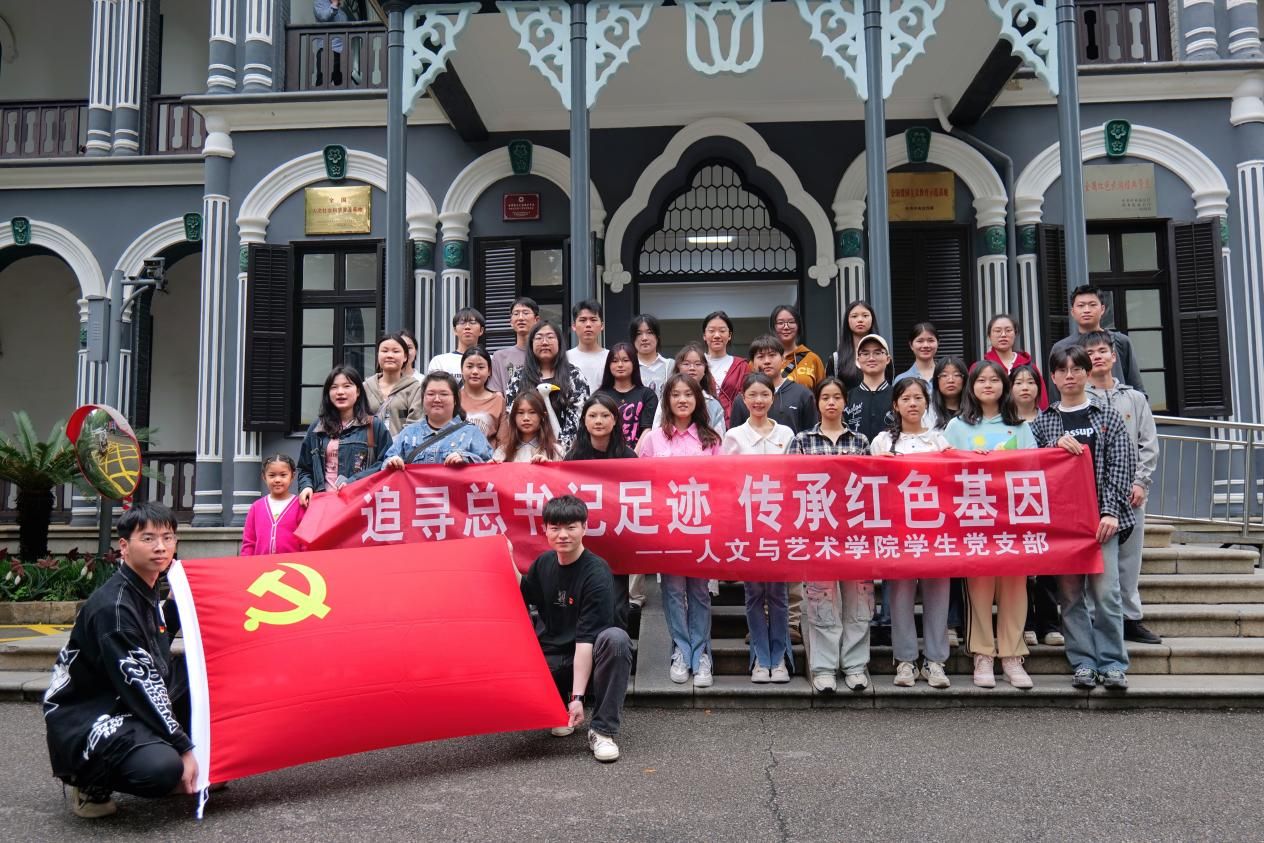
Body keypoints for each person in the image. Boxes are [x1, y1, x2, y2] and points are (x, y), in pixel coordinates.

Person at [44, 502, 196, 818]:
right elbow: (142, 684)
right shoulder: (114, 608)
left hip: (125, 695)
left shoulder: (145, 587)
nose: (160, 547)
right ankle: (89, 781)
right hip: (90, 714)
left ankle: (180, 763)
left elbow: (154, 647)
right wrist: (185, 749)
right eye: (148, 538)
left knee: (204, 679)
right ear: (124, 546)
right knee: (162, 769)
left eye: (167, 538)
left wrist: (174, 606)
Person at [1031, 345, 1137, 690]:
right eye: (1063, 370)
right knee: (1070, 596)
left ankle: (1112, 662)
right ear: (1053, 377)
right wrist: (1052, 448)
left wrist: (1110, 512)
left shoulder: (1107, 417)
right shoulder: (1044, 422)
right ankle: (1083, 662)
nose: (1070, 376)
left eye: (1077, 369)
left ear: (1087, 374)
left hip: (1102, 520)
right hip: (1063, 524)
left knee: (1107, 594)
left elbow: (1121, 466)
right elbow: (1033, 469)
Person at [944, 361, 1038, 690]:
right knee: (979, 589)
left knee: (1014, 588)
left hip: (1013, 520)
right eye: (981, 380)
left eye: (994, 380)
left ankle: (1012, 655)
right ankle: (983, 655)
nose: (988, 385)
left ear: (1004, 386)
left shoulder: (1020, 427)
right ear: (971, 387)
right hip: (975, 520)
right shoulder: (957, 426)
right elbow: (943, 468)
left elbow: (1035, 467)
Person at [519, 495, 633, 763]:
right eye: (555, 528)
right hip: (551, 658)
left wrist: (578, 696)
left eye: (571, 527)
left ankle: (602, 731)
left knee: (616, 640)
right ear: (545, 529)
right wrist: (505, 557)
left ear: (584, 528)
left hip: (588, 660)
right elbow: (523, 594)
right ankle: (558, 710)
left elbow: (586, 639)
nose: (563, 535)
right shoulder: (543, 563)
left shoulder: (596, 572)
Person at [787, 377, 873, 692]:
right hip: (817, 533)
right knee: (821, 601)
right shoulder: (802, 441)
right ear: (817, 402)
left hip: (854, 533)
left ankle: (855, 665)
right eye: (826, 397)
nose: (832, 403)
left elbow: (871, 486)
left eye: (837, 397)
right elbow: (790, 485)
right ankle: (823, 668)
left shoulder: (860, 441)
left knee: (858, 600)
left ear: (845, 402)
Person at [637, 373, 723, 688]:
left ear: (697, 399)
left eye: (688, 394)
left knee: (699, 592)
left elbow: (723, 484)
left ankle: (702, 655)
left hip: (701, 528)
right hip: (668, 528)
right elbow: (639, 480)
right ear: (667, 401)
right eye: (676, 394)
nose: (682, 399)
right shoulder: (653, 439)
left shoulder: (711, 439)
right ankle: (681, 652)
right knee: (673, 593)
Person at [869, 379, 952, 690]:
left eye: (918, 398)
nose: (913, 404)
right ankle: (905, 659)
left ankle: (935, 661)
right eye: (906, 398)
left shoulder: (940, 441)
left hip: (936, 531)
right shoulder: (881, 442)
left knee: (938, 595)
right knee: (900, 596)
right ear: (895, 405)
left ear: (927, 404)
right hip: (898, 531)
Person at [1082, 330, 1161, 646]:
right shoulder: (1079, 399)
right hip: (1091, 494)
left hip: (1131, 493)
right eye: (1091, 353)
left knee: (1130, 559)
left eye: (1102, 351)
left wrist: (1141, 482)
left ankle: (1131, 618)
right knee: (1096, 560)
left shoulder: (1134, 398)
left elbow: (1148, 444)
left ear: (1114, 357)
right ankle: (1095, 619)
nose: (1097, 357)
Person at [723, 373, 795, 683]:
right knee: (753, 594)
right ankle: (759, 660)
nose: (758, 400)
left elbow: (794, 478)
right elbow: (726, 482)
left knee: (778, 594)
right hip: (748, 525)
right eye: (752, 394)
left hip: (780, 525)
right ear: (743, 398)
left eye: (764, 394)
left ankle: (779, 659)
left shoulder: (787, 434)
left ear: (772, 397)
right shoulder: (734, 436)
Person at [564, 394, 638, 612]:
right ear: (584, 421)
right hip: (585, 539)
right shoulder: (573, 457)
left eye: (605, 416)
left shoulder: (628, 456)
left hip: (618, 538)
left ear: (615, 420)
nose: (598, 421)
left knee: (617, 604)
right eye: (593, 416)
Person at [1012, 364, 1064, 648]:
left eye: (1030, 382)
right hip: (1013, 501)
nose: (1024, 387)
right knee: (1019, 564)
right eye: (1018, 382)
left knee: (1046, 563)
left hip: (1046, 499)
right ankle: (1026, 624)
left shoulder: (1051, 419)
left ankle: (1050, 623)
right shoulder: (1004, 423)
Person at [297, 365, 392, 506]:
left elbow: (385, 463)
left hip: (359, 503)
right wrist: (306, 486)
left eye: (347, 386)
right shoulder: (317, 427)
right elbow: (305, 468)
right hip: (323, 503)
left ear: (358, 391)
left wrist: (353, 481)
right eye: (334, 387)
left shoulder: (374, 425)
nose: (340, 392)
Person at [504, 321, 590, 451]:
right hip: (526, 450)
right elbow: (512, 414)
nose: (544, 342)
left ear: (559, 343)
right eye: (539, 338)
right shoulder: (518, 377)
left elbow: (579, 417)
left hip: (567, 452)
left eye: (550, 337)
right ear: (531, 344)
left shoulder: (574, 376)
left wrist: (559, 450)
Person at [1048, 284, 1145, 398]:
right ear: (1072, 312)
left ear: (1102, 309)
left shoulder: (1120, 341)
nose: (1087, 310)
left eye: (1092, 305)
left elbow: (1136, 386)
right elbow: (1055, 394)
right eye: (1081, 305)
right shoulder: (1061, 348)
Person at [383, 372, 493, 467]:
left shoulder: (471, 433)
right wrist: (392, 462)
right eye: (430, 394)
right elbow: (386, 463)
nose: (437, 399)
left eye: (444, 394)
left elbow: (488, 466)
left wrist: (466, 458)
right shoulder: (408, 433)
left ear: (455, 399)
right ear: (423, 398)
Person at [730, 334, 817, 433]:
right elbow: (735, 437)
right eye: (760, 356)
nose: (767, 361)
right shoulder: (743, 399)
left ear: (783, 359)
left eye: (772, 355)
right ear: (752, 363)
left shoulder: (802, 394)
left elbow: (812, 436)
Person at [651, 342, 728, 433]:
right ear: (678, 368)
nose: (692, 368)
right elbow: (656, 433)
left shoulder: (713, 404)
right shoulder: (666, 399)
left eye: (698, 364)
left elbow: (719, 438)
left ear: (705, 370)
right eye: (686, 364)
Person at [978, 314, 1048, 410]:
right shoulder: (979, 368)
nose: (1003, 335)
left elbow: (1042, 400)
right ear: (989, 335)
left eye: (1008, 330)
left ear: (1015, 333)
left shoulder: (1030, 367)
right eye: (997, 331)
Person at [597, 342, 658, 450]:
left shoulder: (647, 395)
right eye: (615, 361)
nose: (620, 365)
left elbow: (648, 429)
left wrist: (634, 455)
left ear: (634, 363)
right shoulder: (600, 396)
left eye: (625, 360)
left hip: (639, 455)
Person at [241, 454, 304, 556]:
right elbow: (249, 542)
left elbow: (304, 542)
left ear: (292, 476)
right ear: (264, 477)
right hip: (261, 564)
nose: (277, 480)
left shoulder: (300, 506)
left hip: (292, 564)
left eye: (283, 475)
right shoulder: (256, 507)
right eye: (272, 475)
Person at [364, 333, 423, 436]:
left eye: (396, 351)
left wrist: (396, 444)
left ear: (405, 357)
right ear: (378, 355)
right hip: (369, 445)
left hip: (403, 445)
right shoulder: (366, 387)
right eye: (385, 351)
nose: (390, 355)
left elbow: (415, 425)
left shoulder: (415, 388)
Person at [494, 390, 564, 463]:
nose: (526, 418)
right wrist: (492, 466)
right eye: (520, 413)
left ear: (542, 416)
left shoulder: (556, 451)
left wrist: (548, 466)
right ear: (514, 417)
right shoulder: (503, 451)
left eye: (532, 412)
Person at [702, 310, 748, 422]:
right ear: (704, 335)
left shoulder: (742, 366)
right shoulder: (695, 364)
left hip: (734, 424)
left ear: (729, 335)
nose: (717, 335)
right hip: (701, 423)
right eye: (711, 331)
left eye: (722, 331)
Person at [828, 300, 883, 390]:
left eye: (865, 315)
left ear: (872, 319)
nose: (860, 320)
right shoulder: (836, 359)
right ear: (847, 321)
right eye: (854, 316)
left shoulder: (884, 356)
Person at [769, 304, 826, 390]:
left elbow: (822, 393)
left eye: (791, 322)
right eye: (780, 323)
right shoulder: (763, 359)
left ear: (798, 325)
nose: (786, 327)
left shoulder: (813, 359)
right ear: (773, 327)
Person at [489, 297, 540, 392]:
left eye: (525, 313)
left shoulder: (545, 355)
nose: (520, 318)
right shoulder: (499, 357)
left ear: (536, 320)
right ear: (511, 322)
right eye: (516, 314)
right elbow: (496, 394)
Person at [312, 0, 365, 87]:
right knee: (323, 82)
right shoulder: (320, 2)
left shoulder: (341, 10)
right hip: (327, 50)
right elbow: (323, 17)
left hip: (342, 51)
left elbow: (352, 23)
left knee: (342, 83)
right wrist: (335, 4)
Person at [458, 347, 505, 446]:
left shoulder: (498, 401)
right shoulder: (452, 398)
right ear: (461, 369)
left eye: (480, 367)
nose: (475, 371)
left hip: (489, 455)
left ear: (489, 371)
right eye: (469, 366)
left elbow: (504, 442)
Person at [427, 308, 486, 377]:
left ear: (481, 330)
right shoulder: (439, 362)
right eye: (462, 322)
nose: (467, 327)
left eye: (472, 322)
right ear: (455, 330)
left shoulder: (492, 361)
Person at [567, 299, 609, 391]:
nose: (588, 325)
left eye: (593, 320)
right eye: (583, 320)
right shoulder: (564, 358)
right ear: (574, 326)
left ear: (602, 325)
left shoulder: (612, 358)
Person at [630, 314, 674, 393]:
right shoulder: (628, 366)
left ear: (657, 337)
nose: (644, 338)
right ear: (633, 339)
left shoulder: (670, 365)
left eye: (649, 332)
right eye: (639, 334)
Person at [894, 322, 939, 387]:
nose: (926, 345)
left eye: (930, 340)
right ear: (911, 345)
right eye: (920, 341)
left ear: (938, 343)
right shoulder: (901, 380)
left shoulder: (946, 377)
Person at [930, 356, 967, 430]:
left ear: (964, 379)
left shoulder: (975, 410)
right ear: (936, 381)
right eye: (944, 375)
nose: (951, 380)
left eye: (956, 375)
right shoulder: (927, 411)